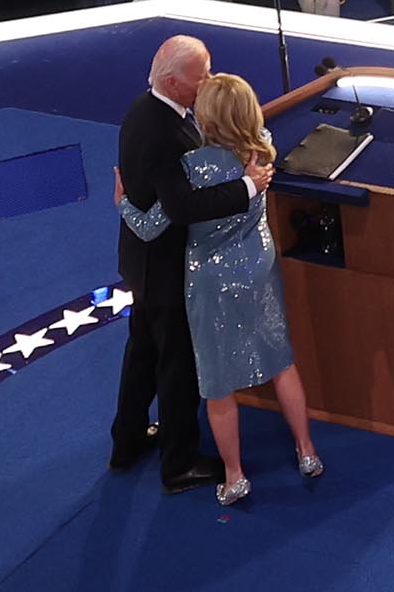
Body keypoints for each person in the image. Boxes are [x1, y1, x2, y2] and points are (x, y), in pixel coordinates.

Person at [116, 73, 322, 506]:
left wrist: (121, 202)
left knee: (217, 382)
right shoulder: (262, 145)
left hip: (211, 278)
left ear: (206, 117)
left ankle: (234, 476)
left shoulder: (196, 167)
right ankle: (307, 452)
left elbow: (152, 225)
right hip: (259, 264)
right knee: (282, 360)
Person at [110, 37, 275, 495]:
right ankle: (178, 463)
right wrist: (247, 186)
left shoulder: (142, 109)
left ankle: (126, 441)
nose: (208, 81)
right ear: (171, 81)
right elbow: (181, 207)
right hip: (165, 273)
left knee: (142, 354)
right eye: (200, 76)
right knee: (177, 366)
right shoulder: (165, 131)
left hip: (142, 264)